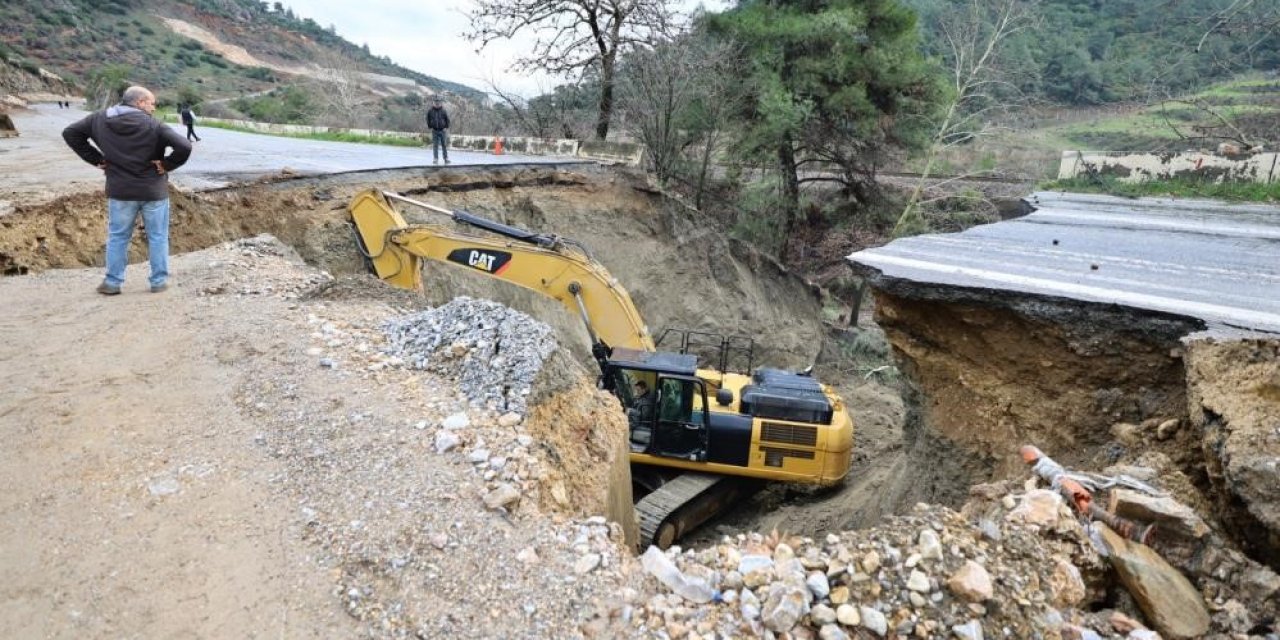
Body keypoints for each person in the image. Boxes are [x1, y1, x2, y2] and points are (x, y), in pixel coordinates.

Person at [63, 85, 191, 295]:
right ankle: (158, 282)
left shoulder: (98, 118)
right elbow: (184, 146)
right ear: (139, 102)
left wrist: (96, 159)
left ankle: (112, 283)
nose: (153, 107)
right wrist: (167, 165)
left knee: (118, 237)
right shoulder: (154, 124)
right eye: (151, 103)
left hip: (120, 191)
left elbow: (70, 133)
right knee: (157, 236)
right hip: (153, 191)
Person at [426, 96, 450, 165]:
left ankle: (446, 158)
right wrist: (430, 126)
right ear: (433, 102)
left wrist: (446, 127)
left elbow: (447, 119)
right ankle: (435, 159)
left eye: (438, 102)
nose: (437, 103)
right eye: (436, 102)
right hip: (434, 130)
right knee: (435, 145)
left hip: (442, 130)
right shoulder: (430, 111)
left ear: (440, 103)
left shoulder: (443, 110)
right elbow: (427, 119)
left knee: (444, 145)